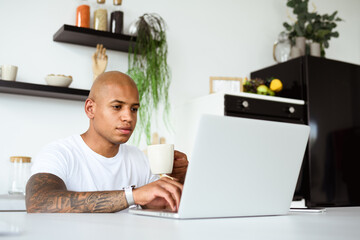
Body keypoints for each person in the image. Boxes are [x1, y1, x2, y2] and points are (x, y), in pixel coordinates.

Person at [25, 71, 188, 213]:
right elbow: (38, 202)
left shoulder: (138, 158)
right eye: (117, 107)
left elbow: (162, 206)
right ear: (90, 109)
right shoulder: (59, 153)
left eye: (134, 109)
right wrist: (133, 195)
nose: (128, 117)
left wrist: (182, 179)